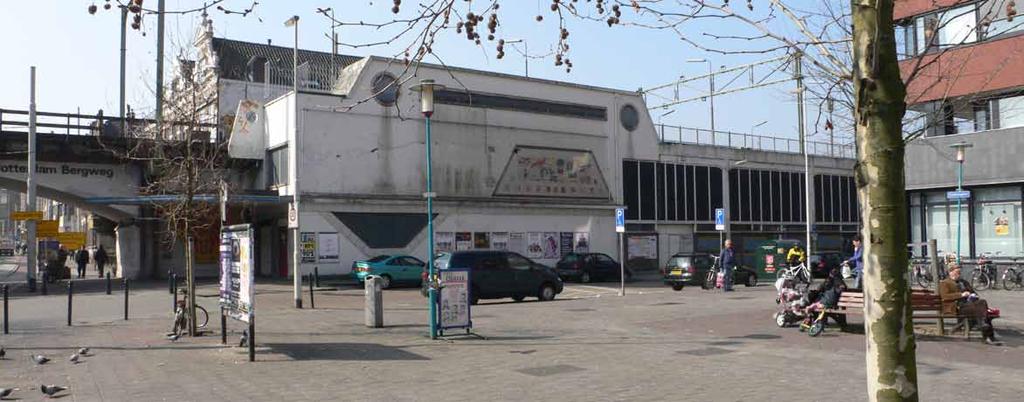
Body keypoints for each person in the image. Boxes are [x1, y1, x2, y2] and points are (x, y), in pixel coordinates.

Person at [939, 265, 1000, 345]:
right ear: (951, 272)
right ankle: (988, 335)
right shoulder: (945, 283)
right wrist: (961, 295)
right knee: (981, 312)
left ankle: (983, 325)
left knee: (982, 302)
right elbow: (945, 297)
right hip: (958, 306)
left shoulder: (964, 282)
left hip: (970, 304)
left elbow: (974, 293)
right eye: (957, 272)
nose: (959, 274)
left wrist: (973, 295)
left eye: (960, 272)